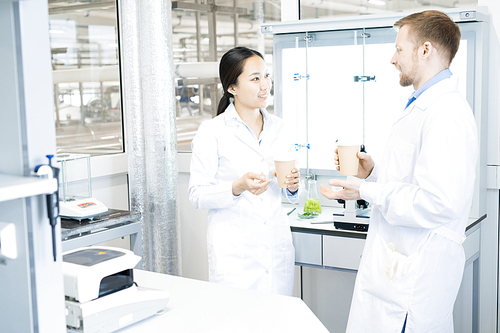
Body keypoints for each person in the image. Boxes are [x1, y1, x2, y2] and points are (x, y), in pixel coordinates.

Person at [320, 10, 478, 333]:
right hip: (396, 278)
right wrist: (373, 173)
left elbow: (437, 202)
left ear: (425, 50)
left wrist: (364, 191)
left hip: (410, 288)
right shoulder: (424, 107)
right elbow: (413, 181)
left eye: (399, 49)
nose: (393, 59)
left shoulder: (446, 113)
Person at [188, 46, 300, 296]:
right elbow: (197, 195)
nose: (265, 85)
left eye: (266, 76)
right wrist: (237, 186)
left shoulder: (279, 127)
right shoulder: (212, 131)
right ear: (232, 88)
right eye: (255, 78)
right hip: (235, 255)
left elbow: (289, 193)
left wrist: (292, 186)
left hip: (275, 248)